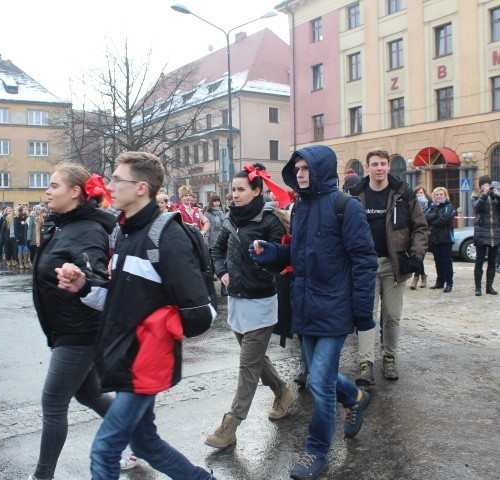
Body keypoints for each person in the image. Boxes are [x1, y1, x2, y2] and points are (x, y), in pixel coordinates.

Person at [57, 152, 216, 480]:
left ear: (141, 187)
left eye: (117, 179)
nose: (109, 185)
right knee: (145, 444)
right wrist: (83, 286)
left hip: (143, 363)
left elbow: (201, 313)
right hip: (127, 357)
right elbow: (120, 302)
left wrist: (155, 330)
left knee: (104, 449)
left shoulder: (167, 237)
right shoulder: (128, 233)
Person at [250, 145, 376, 480]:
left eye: (306, 168)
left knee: (319, 383)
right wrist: (273, 253)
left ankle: (317, 450)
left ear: (321, 169)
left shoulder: (345, 207)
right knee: (324, 378)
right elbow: (298, 253)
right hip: (305, 308)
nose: (301, 173)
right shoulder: (301, 207)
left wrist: (363, 313)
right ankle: (356, 397)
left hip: (335, 310)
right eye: (298, 168)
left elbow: (365, 262)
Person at [28, 165, 116, 480]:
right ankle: (134, 430)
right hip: (67, 327)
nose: (48, 191)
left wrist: (82, 277)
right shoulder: (63, 224)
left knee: (53, 402)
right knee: (88, 394)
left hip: (80, 332)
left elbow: (97, 275)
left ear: (75, 191)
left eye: (54, 185)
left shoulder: (88, 229)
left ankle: (42, 476)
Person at [205, 163, 293, 450]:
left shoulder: (269, 221)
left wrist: (264, 264)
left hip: (262, 303)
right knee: (254, 359)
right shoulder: (232, 219)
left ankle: (231, 425)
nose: (234, 195)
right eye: (233, 189)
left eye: (241, 189)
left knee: (247, 366)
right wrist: (222, 272)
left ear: (257, 191)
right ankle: (282, 391)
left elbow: (282, 260)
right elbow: (216, 249)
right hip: (236, 302)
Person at [348, 150, 428, 384]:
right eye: (375, 164)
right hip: (364, 265)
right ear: (367, 167)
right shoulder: (355, 195)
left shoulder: (403, 193)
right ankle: (366, 362)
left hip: (395, 265)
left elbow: (421, 227)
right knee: (366, 315)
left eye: (383, 164)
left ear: (389, 166)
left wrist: (416, 255)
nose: (379, 168)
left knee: (391, 316)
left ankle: (389, 356)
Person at [471, 176, 500, 296]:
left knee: (492, 262)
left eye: (488, 184)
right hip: (482, 232)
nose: (487, 186)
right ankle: (478, 287)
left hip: (495, 233)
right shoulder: (476, 196)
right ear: (481, 185)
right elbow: (477, 207)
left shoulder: (495, 196)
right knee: (479, 261)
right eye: (484, 184)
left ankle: (489, 286)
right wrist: (484, 194)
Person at [424, 187, 457, 292]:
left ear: (445, 195)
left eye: (441, 194)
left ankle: (449, 283)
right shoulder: (431, 207)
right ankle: (440, 282)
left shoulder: (449, 206)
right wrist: (437, 216)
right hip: (434, 238)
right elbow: (425, 217)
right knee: (437, 261)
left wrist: (433, 220)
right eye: (437, 195)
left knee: (446, 262)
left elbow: (445, 219)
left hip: (446, 238)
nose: (439, 196)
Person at [409, 186, 430, 289]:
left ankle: (416, 279)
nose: (420, 195)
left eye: (421, 192)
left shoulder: (429, 204)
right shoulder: (412, 205)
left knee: (419, 258)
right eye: (417, 193)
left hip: (425, 235)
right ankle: (423, 276)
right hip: (414, 235)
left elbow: (431, 218)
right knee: (418, 258)